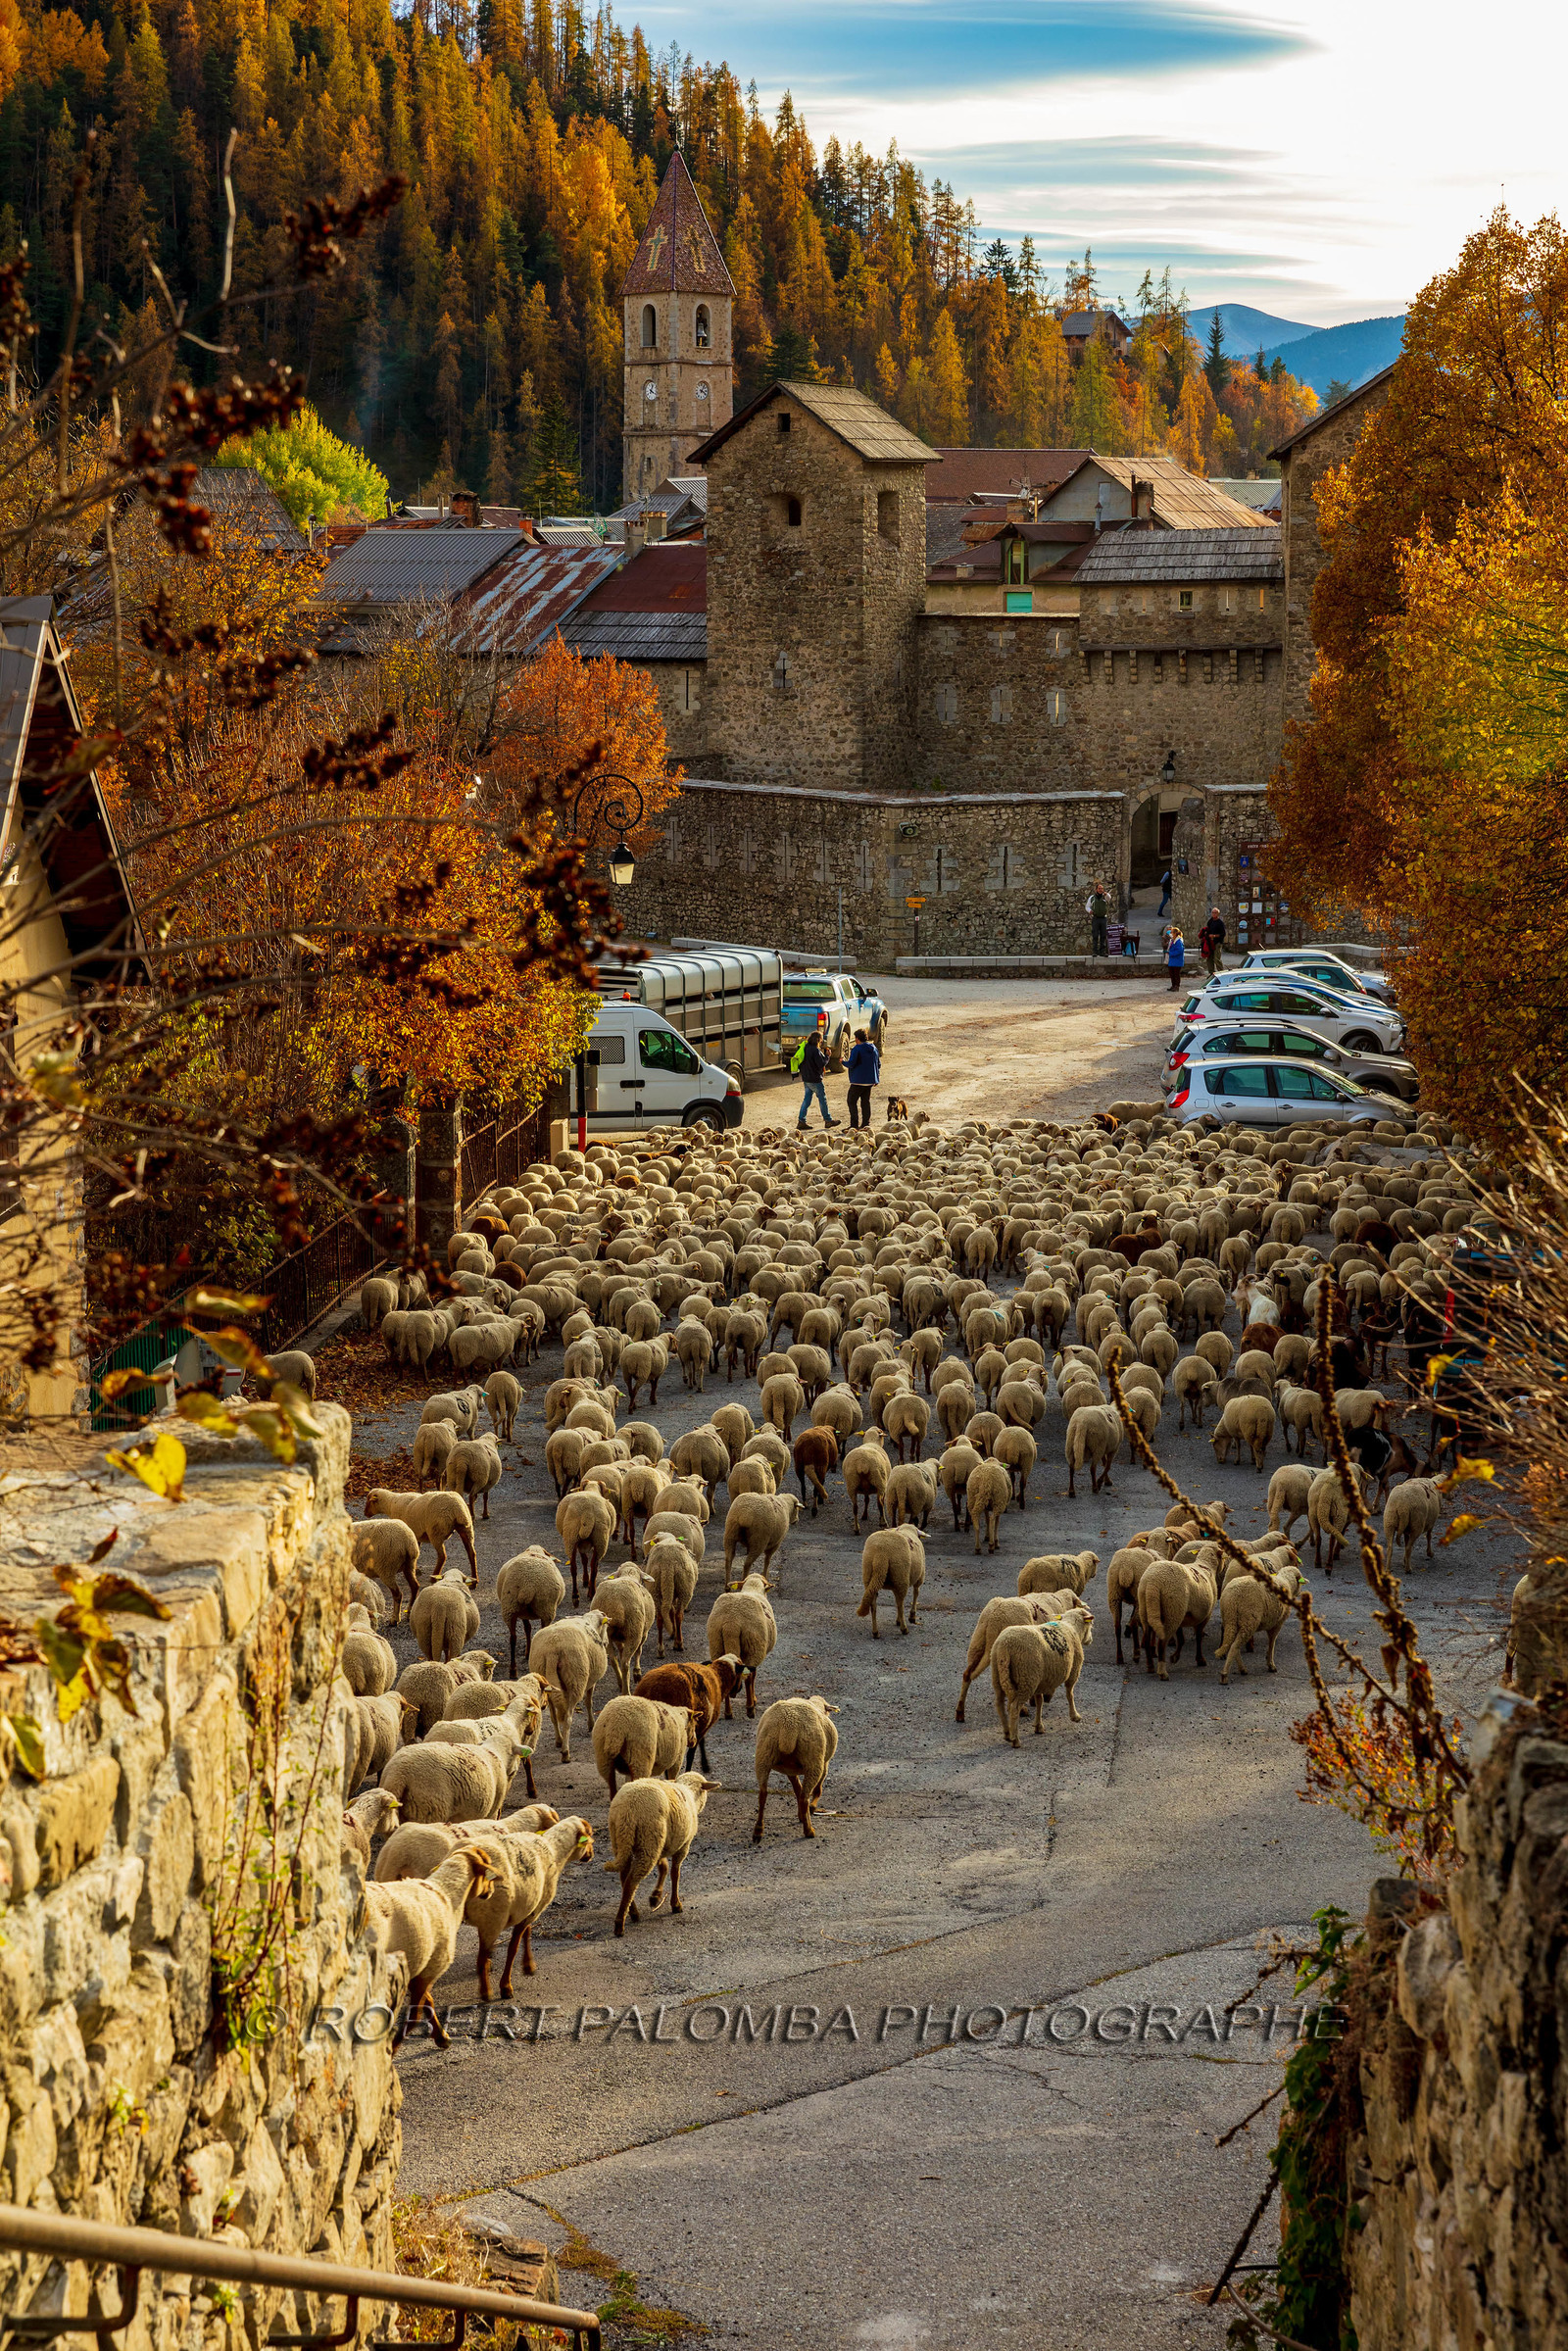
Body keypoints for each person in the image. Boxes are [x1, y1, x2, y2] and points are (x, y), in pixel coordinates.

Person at [795, 1019, 836, 1130]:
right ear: (818, 1040)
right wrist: (827, 1056)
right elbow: (821, 1064)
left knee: (807, 1100)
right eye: (821, 1039)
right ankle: (828, 1120)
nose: (822, 1041)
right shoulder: (815, 1050)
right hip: (815, 1079)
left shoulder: (805, 1047)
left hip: (806, 1078)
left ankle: (801, 1120)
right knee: (822, 1099)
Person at [846, 1026, 880, 1129]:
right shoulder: (873, 1048)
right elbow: (878, 1064)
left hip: (858, 1080)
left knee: (851, 1101)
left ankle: (854, 1125)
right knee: (865, 1102)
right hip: (870, 1080)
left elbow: (851, 1064)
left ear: (857, 1038)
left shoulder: (857, 1048)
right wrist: (876, 1077)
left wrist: (842, 1061)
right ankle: (866, 1124)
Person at [1086, 879, 1109, 958]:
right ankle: (1094, 951)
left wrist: (1106, 894)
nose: (1100, 890)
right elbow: (1087, 906)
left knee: (1103, 935)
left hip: (1103, 918)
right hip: (1095, 918)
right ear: (1096, 890)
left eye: (1102, 888)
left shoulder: (1105, 897)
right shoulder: (1092, 898)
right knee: (1095, 935)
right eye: (1099, 888)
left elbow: (1109, 898)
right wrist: (1090, 911)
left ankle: (1102, 952)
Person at [1201, 906, 1227, 977]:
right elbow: (1208, 929)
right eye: (1213, 913)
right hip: (1210, 943)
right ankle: (1211, 973)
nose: (1214, 914)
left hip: (1217, 942)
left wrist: (1214, 936)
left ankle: (1222, 973)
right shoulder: (1210, 921)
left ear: (1218, 914)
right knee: (1209, 958)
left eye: (1215, 913)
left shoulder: (1220, 923)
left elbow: (1223, 934)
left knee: (1216, 958)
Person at [1165, 925, 1186, 992]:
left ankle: (1176, 986)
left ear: (1175, 933)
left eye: (1171, 932)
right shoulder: (1172, 940)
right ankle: (1173, 985)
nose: (1170, 934)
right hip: (1172, 960)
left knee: (1176, 974)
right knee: (1172, 973)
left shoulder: (1179, 941)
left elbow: (1179, 950)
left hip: (1177, 960)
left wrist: (1171, 953)